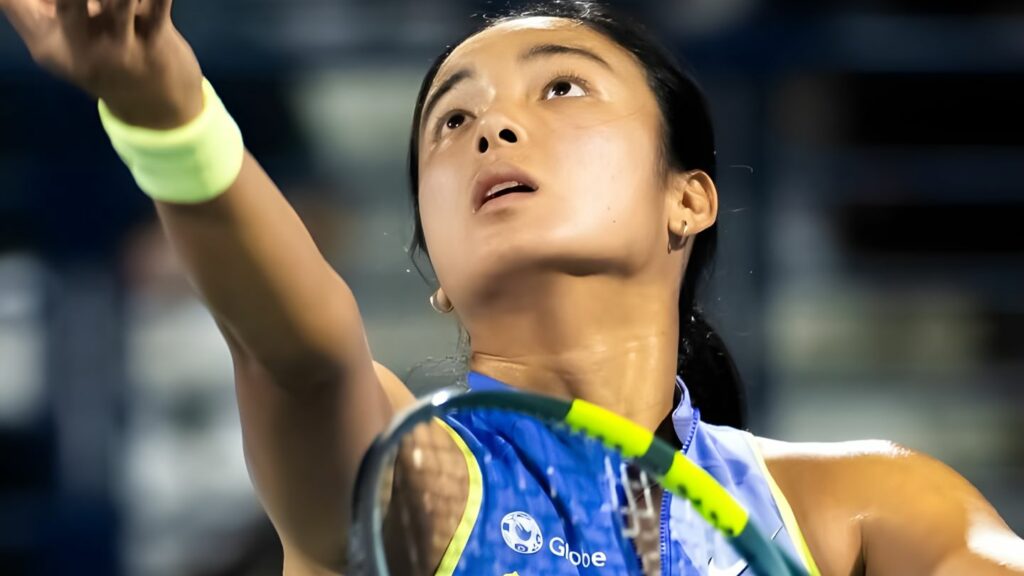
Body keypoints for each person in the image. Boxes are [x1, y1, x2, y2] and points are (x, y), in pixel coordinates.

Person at [1, 0, 1021, 574]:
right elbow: (301, 355)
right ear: (438, 278)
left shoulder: (864, 507)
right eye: (450, 121)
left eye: (562, 86)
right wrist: (162, 102)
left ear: (689, 198)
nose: (491, 127)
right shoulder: (413, 481)